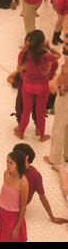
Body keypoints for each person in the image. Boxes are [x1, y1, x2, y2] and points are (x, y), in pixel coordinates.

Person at [0, 143, 68, 235]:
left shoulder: (35, 175)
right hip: (0, 200)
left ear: (26, 158)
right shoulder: (11, 169)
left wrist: (52, 217)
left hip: (10, 210)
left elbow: (42, 197)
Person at [14, 30, 57, 141]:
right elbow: (58, 56)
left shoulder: (24, 53)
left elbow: (19, 68)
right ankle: (42, 136)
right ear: (42, 42)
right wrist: (49, 47)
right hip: (42, 86)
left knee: (26, 111)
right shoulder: (47, 56)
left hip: (28, 85)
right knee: (40, 112)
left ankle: (21, 133)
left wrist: (25, 68)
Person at [0, 151, 29, 242]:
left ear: (18, 165)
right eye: (7, 161)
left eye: (11, 163)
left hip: (12, 219)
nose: (7, 165)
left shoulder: (23, 183)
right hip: (1, 213)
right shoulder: (6, 174)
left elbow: (23, 208)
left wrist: (17, 228)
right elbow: (4, 194)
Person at [45, 36, 68, 164]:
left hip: (65, 97)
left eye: (66, 44)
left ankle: (54, 159)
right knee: (66, 127)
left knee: (58, 128)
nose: (63, 46)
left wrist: (62, 87)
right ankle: (67, 155)